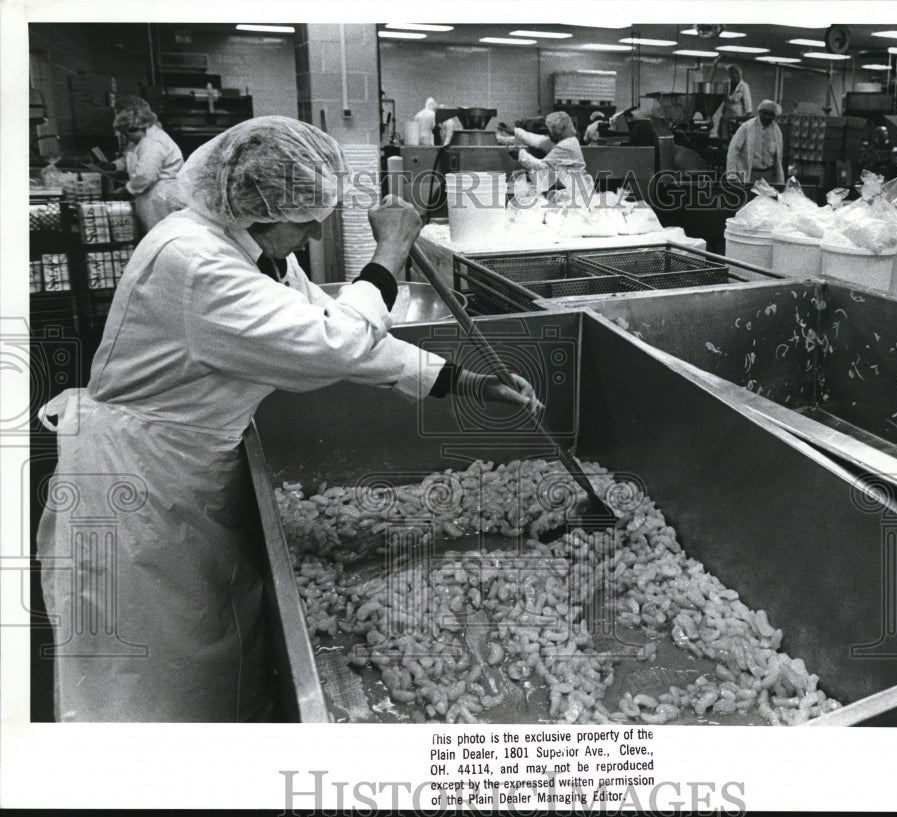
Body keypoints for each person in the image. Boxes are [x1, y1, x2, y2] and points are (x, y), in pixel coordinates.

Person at [35, 116, 540, 722]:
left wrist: (466, 382)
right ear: (258, 204)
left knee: (209, 643)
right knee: (150, 679)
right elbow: (335, 344)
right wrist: (390, 251)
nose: (315, 229)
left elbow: (340, 331)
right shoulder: (195, 261)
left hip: (187, 466)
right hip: (138, 485)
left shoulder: (251, 249)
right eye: (305, 217)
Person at [107, 106, 184, 234]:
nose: (126, 137)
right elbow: (132, 157)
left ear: (137, 128)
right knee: (154, 234)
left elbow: (145, 175)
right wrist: (115, 165)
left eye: (126, 134)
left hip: (160, 196)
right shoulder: (142, 140)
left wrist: (127, 189)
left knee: (160, 234)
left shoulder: (153, 143)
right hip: (151, 195)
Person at [496, 111, 591, 195]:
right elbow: (538, 140)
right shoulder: (563, 139)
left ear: (558, 131)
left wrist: (520, 155)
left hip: (575, 193)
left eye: (550, 131)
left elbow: (543, 166)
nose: (549, 134)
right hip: (568, 187)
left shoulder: (567, 146)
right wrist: (514, 131)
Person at [726, 99, 785, 185]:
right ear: (759, 112)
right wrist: (731, 174)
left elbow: (778, 155)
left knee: (768, 198)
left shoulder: (776, 130)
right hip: (751, 174)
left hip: (769, 174)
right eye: (765, 113)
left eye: (771, 114)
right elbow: (733, 150)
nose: (767, 117)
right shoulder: (746, 127)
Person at [716, 64, 752, 140]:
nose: (732, 76)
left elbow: (747, 101)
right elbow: (721, 97)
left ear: (738, 74)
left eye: (734, 73)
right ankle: (724, 148)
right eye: (730, 74)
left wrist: (748, 115)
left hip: (737, 115)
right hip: (727, 113)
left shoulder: (744, 86)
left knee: (735, 136)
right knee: (723, 135)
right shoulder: (725, 83)